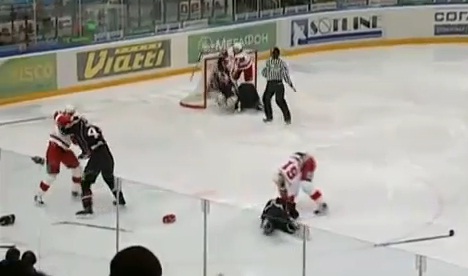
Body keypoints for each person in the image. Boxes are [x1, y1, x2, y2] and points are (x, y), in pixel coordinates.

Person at [60, 115, 126, 216]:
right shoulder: (95, 128)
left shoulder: (79, 129)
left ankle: (88, 208)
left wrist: (84, 153)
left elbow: (65, 131)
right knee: (109, 178)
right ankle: (120, 199)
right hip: (107, 155)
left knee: (85, 182)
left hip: (97, 158)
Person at [32, 107, 82, 205]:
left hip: (64, 149)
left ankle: (76, 190)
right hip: (54, 148)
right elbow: (62, 120)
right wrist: (74, 121)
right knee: (52, 175)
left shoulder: (72, 125)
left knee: (76, 167)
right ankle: (39, 195)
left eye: (72, 114)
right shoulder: (59, 115)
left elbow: (75, 141)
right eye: (69, 113)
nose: (70, 115)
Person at [261, 47, 296, 124]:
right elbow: (265, 72)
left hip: (275, 84)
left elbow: (264, 73)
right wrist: (290, 83)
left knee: (275, 100)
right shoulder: (276, 63)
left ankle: (284, 118)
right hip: (274, 84)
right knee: (270, 99)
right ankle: (273, 117)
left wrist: (290, 83)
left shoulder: (274, 62)